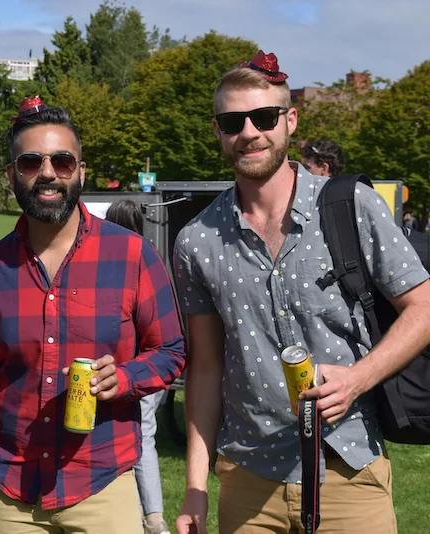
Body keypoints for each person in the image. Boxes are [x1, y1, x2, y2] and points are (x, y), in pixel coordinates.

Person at [173, 50, 430, 534]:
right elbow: (204, 368)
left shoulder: (352, 204)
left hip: (349, 466)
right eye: (233, 121)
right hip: (249, 477)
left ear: (289, 121)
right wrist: (194, 486)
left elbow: (424, 304)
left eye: (264, 116)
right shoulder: (197, 240)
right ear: (218, 132)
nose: (249, 131)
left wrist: (358, 378)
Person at [0, 96, 186, 534]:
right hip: (9, 492)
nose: (47, 173)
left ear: (80, 171)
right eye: (30, 162)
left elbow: (171, 349)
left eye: (62, 161)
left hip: (103, 483)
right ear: (11, 176)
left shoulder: (132, 254)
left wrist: (126, 377)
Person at [104, 199, 171, 534]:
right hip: (150, 366)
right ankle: (147, 513)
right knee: (141, 436)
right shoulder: (152, 253)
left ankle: (153, 516)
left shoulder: (121, 259)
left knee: (141, 437)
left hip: (135, 366)